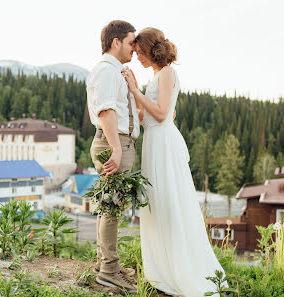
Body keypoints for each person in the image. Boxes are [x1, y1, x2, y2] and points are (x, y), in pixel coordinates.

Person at [122, 27, 225, 297]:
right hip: (153, 143)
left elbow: (163, 112)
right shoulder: (155, 76)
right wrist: (134, 104)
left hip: (165, 144)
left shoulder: (167, 72)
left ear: (151, 49)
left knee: (170, 200)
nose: (138, 57)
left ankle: (182, 268)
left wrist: (135, 92)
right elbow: (150, 117)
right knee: (157, 203)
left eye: (140, 52)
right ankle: (162, 268)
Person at [86, 20, 140, 292]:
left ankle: (105, 265)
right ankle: (108, 272)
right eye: (131, 41)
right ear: (116, 41)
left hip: (117, 142)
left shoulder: (114, 71)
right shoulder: (106, 71)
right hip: (113, 143)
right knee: (112, 208)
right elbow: (106, 111)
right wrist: (116, 149)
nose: (135, 47)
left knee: (110, 207)